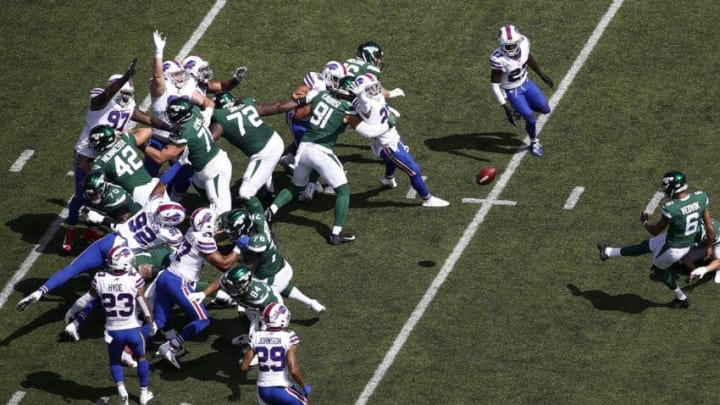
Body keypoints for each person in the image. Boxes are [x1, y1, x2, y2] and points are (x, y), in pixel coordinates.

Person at [64, 57, 179, 253]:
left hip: (111, 153)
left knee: (107, 195)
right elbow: (105, 96)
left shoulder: (127, 105)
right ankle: (70, 232)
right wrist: (126, 76)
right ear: (114, 90)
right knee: (84, 195)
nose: (126, 97)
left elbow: (147, 118)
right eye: (122, 92)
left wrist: (169, 128)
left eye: (128, 93)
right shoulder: (100, 101)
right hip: (87, 153)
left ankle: (92, 229)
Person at [16, 182, 185, 313]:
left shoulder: (152, 206)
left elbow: (161, 185)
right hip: (124, 254)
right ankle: (80, 316)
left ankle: (39, 292)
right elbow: (182, 253)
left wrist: (180, 163)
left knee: (72, 269)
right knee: (106, 289)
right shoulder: (172, 234)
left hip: (110, 241)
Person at [266, 65, 388, 245]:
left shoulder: (320, 96)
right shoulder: (347, 111)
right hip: (320, 151)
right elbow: (368, 133)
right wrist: (387, 125)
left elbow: (299, 115)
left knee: (295, 186)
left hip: (303, 148)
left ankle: (270, 211)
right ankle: (336, 233)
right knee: (343, 191)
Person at [597, 170, 714, 308]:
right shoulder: (700, 197)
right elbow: (709, 228)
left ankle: (682, 298)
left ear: (673, 187)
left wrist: (645, 222)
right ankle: (608, 252)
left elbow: (655, 231)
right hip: (682, 240)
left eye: (667, 185)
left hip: (674, 247)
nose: (665, 188)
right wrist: (709, 246)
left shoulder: (671, 208)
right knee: (645, 246)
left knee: (659, 269)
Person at [154, 207, 243, 369]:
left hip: (165, 277)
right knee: (202, 319)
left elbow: (213, 236)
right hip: (179, 282)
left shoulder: (192, 231)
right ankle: (171, 346)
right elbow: (224, 265)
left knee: (158, 322)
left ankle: (127, 350)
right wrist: (238, 248)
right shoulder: (204, 240)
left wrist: (232, 233)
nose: (216, 225)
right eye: (213, 223)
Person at [349, 73, 449, 207]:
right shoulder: (366, 104)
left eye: (375, 86)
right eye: (371, 88)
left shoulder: (376, 97)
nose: (376, 90)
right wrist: (360, 95)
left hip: (393, 137)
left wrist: (391, 97)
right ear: (363, 91)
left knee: (393, 162)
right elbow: (365, 105)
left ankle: (387, 179)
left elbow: (378, 102)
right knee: (414, 170)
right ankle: (427, 199)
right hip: (388, 145)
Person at [91, 246, 156, 405]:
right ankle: (143, 394)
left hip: (113, 331)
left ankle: (121, 390)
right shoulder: (134, 277)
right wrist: (151, 323)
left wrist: (73, 313)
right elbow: (143, 304)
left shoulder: (100, 277)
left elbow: (87, 298)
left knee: (114, 361)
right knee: (141, 358)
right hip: (132, 328)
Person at [210, 91, 305, 202]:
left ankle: (261, 218)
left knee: (245, 192)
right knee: (265, 167)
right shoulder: (247, 103)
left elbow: (210, 138)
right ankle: (271, 193)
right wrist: (301, 101)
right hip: (274, 140)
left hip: (264, 152)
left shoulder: (220, 118)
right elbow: (277, 107)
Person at [145, 97, 234, 215]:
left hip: (214, 170)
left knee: (222, 212)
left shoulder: (184, 132)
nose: (169, 116)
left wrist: (142, 145)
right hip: (209, 163)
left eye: (172, 114)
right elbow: (206, 105)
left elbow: (160, 157)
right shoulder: (195, 112)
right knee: (198, 182)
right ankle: (208, 202)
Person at [490, 25, 554, 157]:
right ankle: (534, 142)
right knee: (531, 120)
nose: (512, 48)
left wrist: (541, 74)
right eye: (509, 46)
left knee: (546, 109)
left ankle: (521, 109)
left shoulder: (524, 44)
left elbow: (528, 58)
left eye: (514, 45)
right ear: (502, 45)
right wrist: (506, 107)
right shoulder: (498, 58)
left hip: (526, 83)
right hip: (512, 90)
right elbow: (495, 85)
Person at [240, 303, 311, 405]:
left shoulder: (256, 336)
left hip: (262, 390)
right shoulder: (288, 337)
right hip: (281, 388)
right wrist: (304, 386)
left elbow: (244, 367)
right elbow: (293, 370)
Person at [182, 54, 247, 97]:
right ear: (192, 73)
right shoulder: (186, 91)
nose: (206, 72)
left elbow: (222, 86)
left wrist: (236, 80)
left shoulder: (201, 84)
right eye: (202, 70)